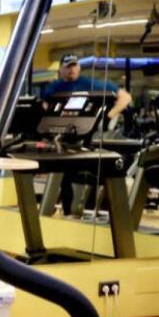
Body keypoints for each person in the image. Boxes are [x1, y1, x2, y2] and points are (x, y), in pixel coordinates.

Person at [41, 54, 132, 215]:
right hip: (61, 136)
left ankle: (77, 210)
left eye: (75, 65)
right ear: (61, 69)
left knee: (77, 172)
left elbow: (125, 97)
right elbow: (44, 104)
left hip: (86, 135)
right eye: (68, 66)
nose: (72, 69)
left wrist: (108, 116)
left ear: (79, 67)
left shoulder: (89, 83)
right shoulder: (54, 87)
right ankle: (68, 211)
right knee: (64, 176)